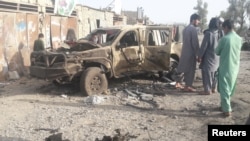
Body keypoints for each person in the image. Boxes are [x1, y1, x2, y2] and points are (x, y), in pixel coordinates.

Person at [215, 19, 242, 117]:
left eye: (223, 28)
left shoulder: (224, 39)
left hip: (225, 66)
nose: (223, 30)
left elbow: (217, 51)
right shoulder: (239, 38)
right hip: (235, 67)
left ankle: (227, 109)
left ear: (226, 27)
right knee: (230, 87)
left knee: (224, 88)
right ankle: (223, 105)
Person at [175, 13, 200, 92]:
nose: (198, 22)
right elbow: (195, 43)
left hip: (185, 51)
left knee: (183, 68)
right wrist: (198, 54)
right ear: (193, 20)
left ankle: (178, 82)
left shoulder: (185, 29)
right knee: (191, 70)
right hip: (191, 53)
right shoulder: (193, 29)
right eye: (198, 20)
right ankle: (188, 86)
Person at [197, 18, 221, 95]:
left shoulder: (208, 33)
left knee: (207, 73)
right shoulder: (220, 33)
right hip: (217, 57)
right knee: (214, 73)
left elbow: (203, 47)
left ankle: (207, 90)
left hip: (208, 56)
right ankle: (214, 88)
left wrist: (199, 56)